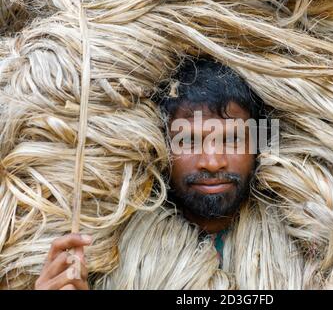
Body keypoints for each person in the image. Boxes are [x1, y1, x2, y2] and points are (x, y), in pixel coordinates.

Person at [35, 58, 266, 290]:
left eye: (232, 140)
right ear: (160, 145)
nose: (213, 163)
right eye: (187, 141)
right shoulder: (116, 253)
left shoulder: (292, 249)